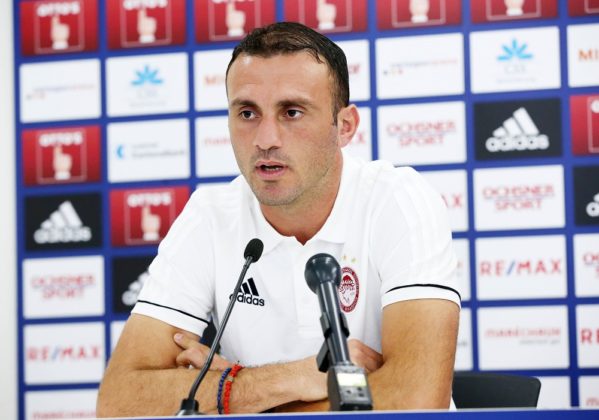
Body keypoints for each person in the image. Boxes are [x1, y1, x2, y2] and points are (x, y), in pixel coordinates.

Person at [96, 21, 460, 417]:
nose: (265, 138)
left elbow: (417, 402)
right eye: (247, 112)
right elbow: (119, 402)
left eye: (292, 112)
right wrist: (292, 378)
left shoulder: (398, 200)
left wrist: (234, 391)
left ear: (344, 127)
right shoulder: (210, 215)